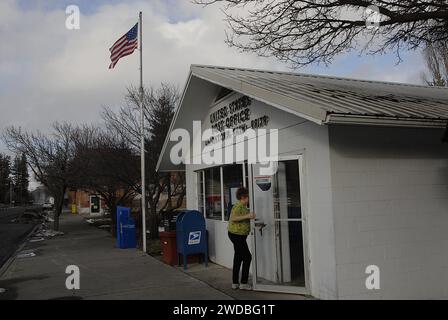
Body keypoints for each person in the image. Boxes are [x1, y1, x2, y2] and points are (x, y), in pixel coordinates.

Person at [228, 187, 256, 290]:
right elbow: (234, 218)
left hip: (239, 235)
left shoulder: (244, 207)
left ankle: (235, 283)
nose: (249, 199)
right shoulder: (238, 206)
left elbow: (244, 219)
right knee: (247, 257)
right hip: (236, 235)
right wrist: (248, 216)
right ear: (244, 197)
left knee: (238, 258)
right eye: (248, 197)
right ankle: (244, 283)